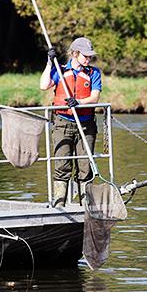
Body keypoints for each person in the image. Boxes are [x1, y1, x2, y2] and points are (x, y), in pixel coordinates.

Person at [39, 37, 102, 207]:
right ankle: (59, 205)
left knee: (85, 167)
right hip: (62, 123)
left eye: (90, 56)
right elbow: (44, 85)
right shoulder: (60, 71)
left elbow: (95, 97)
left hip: (86, 124)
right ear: (75, 53)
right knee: (62, 165)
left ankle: (86, 206)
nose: (88, 59)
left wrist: (80, 102)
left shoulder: (94, 73)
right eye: (85, 55)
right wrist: (49, 63)